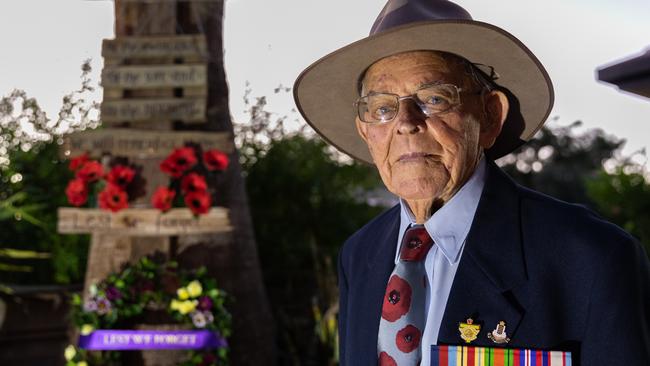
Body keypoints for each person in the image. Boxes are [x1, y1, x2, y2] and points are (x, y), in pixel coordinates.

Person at [293, 1, 650, 365]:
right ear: (366, 132)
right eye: (383, 108)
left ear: (490, 117)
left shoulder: (591, 259)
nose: (405, 122)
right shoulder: (360, 254)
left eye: (433, 98)